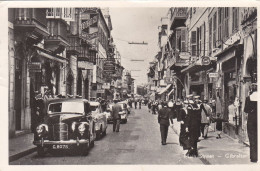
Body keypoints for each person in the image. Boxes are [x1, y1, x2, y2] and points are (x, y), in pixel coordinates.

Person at [244, 83, 257, 163]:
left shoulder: (249, 98)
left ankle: (254, 157)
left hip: (251, 120)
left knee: (252, 139)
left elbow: (246, 110)